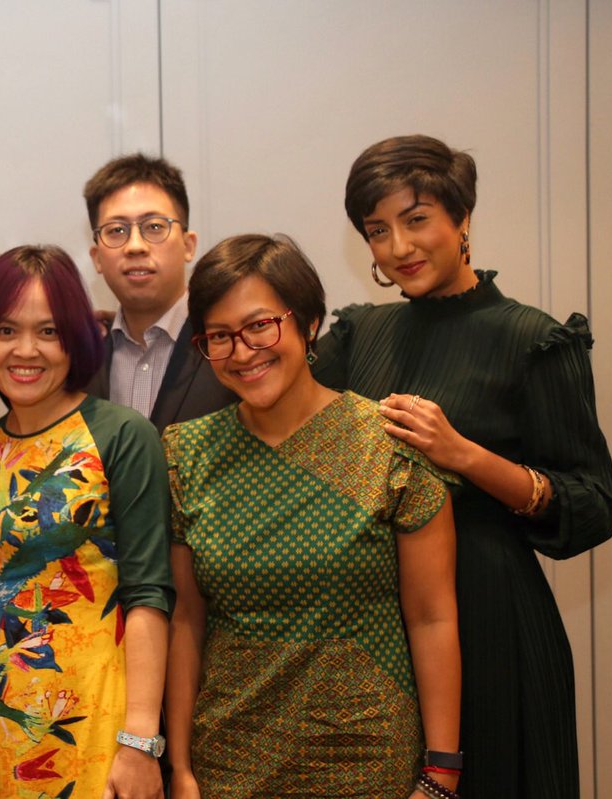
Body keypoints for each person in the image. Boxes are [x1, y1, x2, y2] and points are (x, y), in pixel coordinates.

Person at [312, 134, 612, 798]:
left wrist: (466, 455)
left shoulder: (532, 338)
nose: (399, 247)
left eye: (416, 220)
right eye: (377, 230)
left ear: (462, 219)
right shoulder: (359, 334)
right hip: (376, 624)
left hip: (493, 623)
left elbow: (594, 504)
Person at [163, 234, 462, 799]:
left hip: (366, 751)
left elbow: (433, 617)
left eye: (260, 326)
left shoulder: (390, 444)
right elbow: (186, 620)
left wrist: (441, 772)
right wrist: (180, 768)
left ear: (310, 323)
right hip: (230, 756)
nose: (243, 351)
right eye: (219, 337)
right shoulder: (186, 454)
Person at [0, 245, 174, 799]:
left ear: (74, 339)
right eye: (5, 330)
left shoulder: (121, 435)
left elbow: (149, 592)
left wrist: (140, 740)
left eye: (48, 332)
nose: (25, 351)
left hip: (95, 711)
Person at [83, 154, 235, 432]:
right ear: (97, 258)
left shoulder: (230, 343)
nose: (135, 246)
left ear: (189, 245)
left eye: (154, 227)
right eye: (116, 230)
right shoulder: (78, 359)